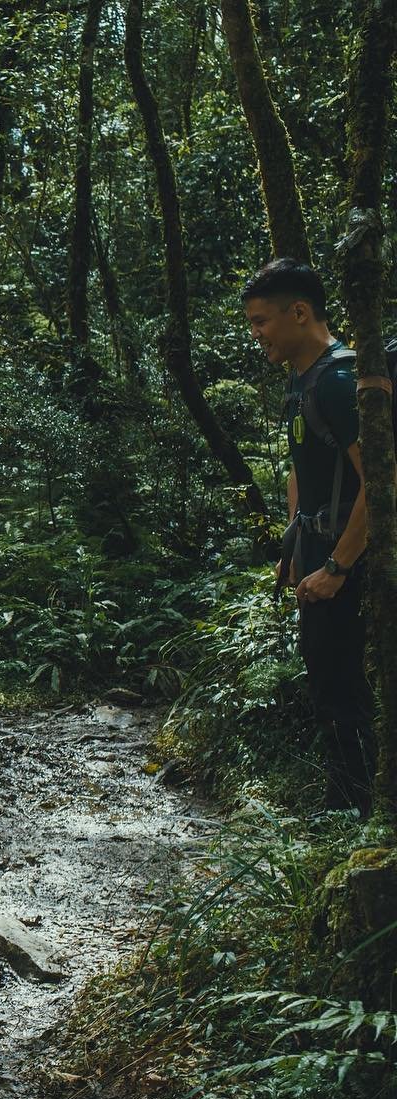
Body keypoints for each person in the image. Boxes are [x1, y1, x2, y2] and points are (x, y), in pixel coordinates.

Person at [242, 258, 375, 815]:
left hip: (355, 558)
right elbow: (303, 468)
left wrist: (339, 566)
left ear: (300, 312)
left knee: (344, 681)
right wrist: (297, 547)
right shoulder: (303, 381)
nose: (256, 336)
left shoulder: (340, 383)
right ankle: (343, 799)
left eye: (261, 322)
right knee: (325, 675)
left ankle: (358, 812)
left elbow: (385, 483)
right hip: (318, 549)